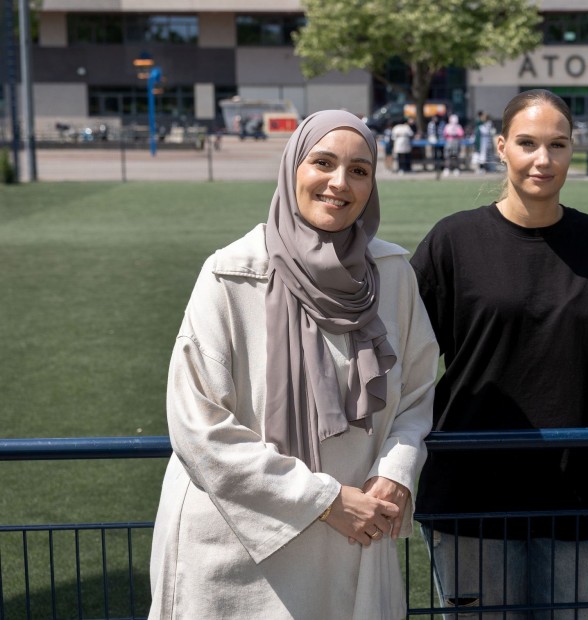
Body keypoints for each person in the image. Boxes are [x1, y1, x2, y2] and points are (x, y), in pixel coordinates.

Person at [148, 110, 438, 620]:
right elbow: (199, 428)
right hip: (237, 553)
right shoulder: (231, 274)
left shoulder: (392, 274)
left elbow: (416, 392)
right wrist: (323, 501)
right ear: (291, 168)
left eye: (359, 170)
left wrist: (397, 471)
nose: (339, 182)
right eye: (322, 163)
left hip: (355, 540)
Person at [411, 89, 588, 618]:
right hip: (467, 497)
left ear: (572, 150)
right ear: (501, 146)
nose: (543, 159)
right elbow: (401, 357)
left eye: (557, 145)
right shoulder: (453, 241)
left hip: (572, 494)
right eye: (527, 143)